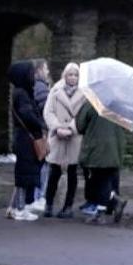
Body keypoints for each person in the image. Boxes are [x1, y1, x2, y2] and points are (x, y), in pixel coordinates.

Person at [43, 63, 86, 219]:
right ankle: (48, 204)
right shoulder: (55, 91)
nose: (73, 78)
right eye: (70, 74)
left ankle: (68, 206)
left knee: (73, 173)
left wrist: (71, 128)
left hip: (74, 137)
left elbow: (83, 115)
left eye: (76, 75)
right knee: (54, 171)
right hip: (57, 137)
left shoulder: (84, 93)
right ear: (64, 75)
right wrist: (57, 128)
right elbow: (48, 112)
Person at [76, 101, 128, 223]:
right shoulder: (119, 105)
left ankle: (107, 208)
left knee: (99, 181)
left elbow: (80, 126)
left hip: (96, 148)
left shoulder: (91, 103)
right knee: (105, 180)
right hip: (115, 147)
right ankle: (112, 202)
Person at [7, 60, 45, 222]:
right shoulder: (22, 94)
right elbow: (27, 114)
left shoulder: (23, 92)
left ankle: (18, 206)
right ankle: (19, 208)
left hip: (25, 138)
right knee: (23, 174)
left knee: (26, 173)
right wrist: (41, 123)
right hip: (25, 138)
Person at [31, 58, 51, 212]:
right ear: (38, 70)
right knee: (43, 165)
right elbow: (45, 111)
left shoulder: (33, 86)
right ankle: (39, 196)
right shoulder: (42, 88)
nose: (48, 71)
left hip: (37, 132)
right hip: (43, 133)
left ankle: (36, 195)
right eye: (45, 68)